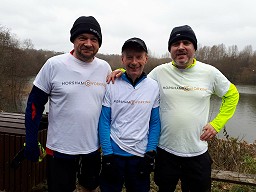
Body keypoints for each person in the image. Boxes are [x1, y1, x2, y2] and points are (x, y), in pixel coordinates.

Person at [108, 25, 239, 192]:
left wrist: (217, 124)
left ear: (194, 48)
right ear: (170, 49)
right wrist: (120, 71)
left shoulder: (209, 73)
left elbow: (233, 95)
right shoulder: (160, 72)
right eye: (176, 44)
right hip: (165, 153)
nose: (181, 47)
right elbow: (138, 76)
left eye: (186, 43)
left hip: (197, 153)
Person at [24, 16, 112, 192]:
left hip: (92, 148)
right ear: (73, 40)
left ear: (99, 43)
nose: (88, 43)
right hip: (60, 148)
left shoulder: (105, 68)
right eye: (82, 38)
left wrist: (124, 73)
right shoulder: (54, 65)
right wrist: (31, 139)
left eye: (94, 39)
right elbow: (34, 104)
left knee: (89, 188)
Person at [99, 37, 161, 192]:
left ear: (146, 59)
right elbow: (104, 121)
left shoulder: (153, 87)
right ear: (122, 59)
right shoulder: (112, 83)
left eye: (139, 57)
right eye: (129, 57)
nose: (134, 62)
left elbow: (154, 122)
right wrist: (107, 155)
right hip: (114, 155)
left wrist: (151, 152)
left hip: (140, 156)